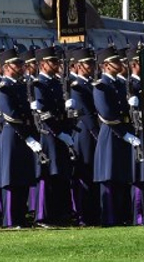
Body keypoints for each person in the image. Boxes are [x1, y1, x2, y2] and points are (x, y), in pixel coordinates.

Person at [0, 48, 42, 228]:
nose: (21, 67)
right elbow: (11, 115)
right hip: (11, 134)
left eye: (21, 64)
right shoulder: (2, 89)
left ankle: (20, 217)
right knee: (11, 178)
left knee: (22, 177)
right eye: (17, 64)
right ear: (6, 67)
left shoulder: (21, 86)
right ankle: (10, 220)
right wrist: (28, 136)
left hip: (24, 134)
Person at [93, 47, 140, 226]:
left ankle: (122, 216)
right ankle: (109, 218)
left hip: (124, 133)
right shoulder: (101, 86)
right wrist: (125, 133)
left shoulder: (120, 84)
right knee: (109, 178)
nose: (120, 64)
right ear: (106, 65)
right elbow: (107, 114)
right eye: (116, 62)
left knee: (121, 177)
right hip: (111, 134)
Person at [31, 46, 74, 227]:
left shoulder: (56, 83)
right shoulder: (39, 84)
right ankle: (43, 216)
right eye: (53, 61)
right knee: (47, 176)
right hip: (48, 135)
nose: (57, 64)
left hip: (60, 134)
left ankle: (59, 214)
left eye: (57, 61)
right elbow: (44, 114)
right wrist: (59, 132)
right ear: (43, 64)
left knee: (60, 175)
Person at [66, 47, 100, 226]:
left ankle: (93, 212)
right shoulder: (77, 87)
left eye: (92, 63)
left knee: (93, 174)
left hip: (92, 132)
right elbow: (86, 113)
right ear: (78, 66)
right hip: (84, 133)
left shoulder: (90, 84)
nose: (91, 66)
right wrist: (97, 133)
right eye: (88, 63)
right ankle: (83, 215)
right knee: (84, 175)